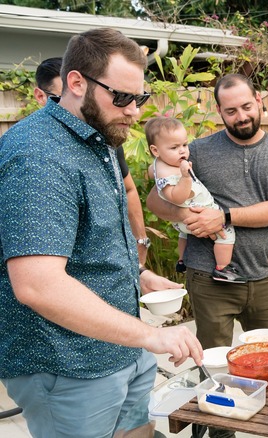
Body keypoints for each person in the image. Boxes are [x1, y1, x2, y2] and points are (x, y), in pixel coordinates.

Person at [0, 28, 203, 438]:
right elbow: (38, 285)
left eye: (140, 98)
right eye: (122, 97)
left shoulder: (100, 136)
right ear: (76, 83)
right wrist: (150, 335)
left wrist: (137, 274)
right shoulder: (38, 156)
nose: (134, 112)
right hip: (67, 362)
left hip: (122, 343)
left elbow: (89, 239)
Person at [147, 73, 268, 349]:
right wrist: (187, 216)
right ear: (219, 111)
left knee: (265, 356)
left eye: (246, 107)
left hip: (261, 275)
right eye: (230, 111)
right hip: (208, 279)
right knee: (212, 360)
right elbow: (154, 201)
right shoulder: (196, 151)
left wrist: (223, 217)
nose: (241, 116)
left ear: (258, 100)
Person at [33, 56, 152, 264]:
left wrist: (141, 241)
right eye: (61, 97)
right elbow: (37, 277)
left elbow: (129, 189)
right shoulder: (36, 154)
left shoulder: (104, 139)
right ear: (40, 97)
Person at [145, 116, 246, 283]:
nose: (183, 151)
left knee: (184, 236)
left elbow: (152, 172)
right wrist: (185, 177)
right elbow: (177, 197)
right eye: (174, 147)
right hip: (196, 214)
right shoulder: (172, 173)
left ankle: (182, 260)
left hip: (182, 224)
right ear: (156, 150)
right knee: (226, 233)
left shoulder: (161, 164)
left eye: (184, 145)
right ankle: (223, 268)